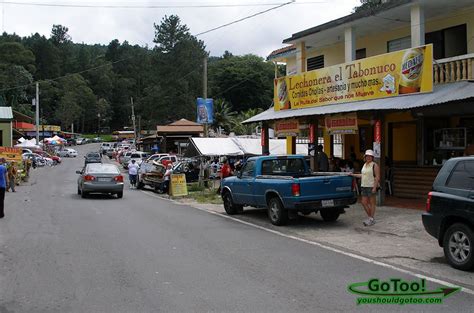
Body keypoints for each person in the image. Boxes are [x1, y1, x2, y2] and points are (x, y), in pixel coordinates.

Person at [350, 149, 380, 226]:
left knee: (372, 203)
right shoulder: (364, 165)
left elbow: (377, 177)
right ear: (365, 157)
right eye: (367, 156)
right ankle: (371, 218)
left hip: (371, 186)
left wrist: (374, 187)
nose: (368, 158)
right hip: (364, 186)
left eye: (370, 156)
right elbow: (362, 175)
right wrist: (353, 175)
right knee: (364, 202)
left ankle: (371, 218)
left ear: (372, 157)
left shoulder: (374, 165)